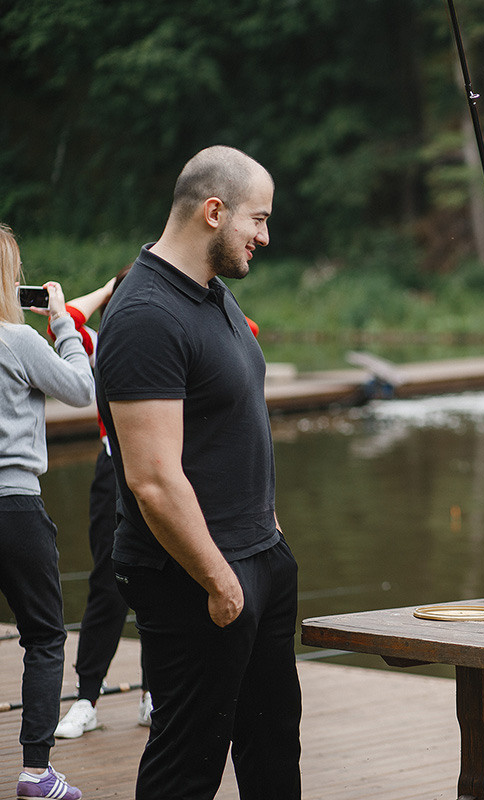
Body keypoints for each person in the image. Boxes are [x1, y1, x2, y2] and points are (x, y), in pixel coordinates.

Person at [94, 145, 300, 799]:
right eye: (257, 220)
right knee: (188, 763)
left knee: (273, 752)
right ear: (215, 211)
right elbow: (151, 480)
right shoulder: (146, 316)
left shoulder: (215, 298)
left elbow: (233, 416)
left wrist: (268, 533)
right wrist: (222, 582)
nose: (264, 237)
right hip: (195, 576)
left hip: (257, 557)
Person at [0, 223, 94, 800]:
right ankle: (37, 772)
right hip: (15, 505)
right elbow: (82, 389)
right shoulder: (18, 341)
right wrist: (61, 323)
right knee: (43, 635)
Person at [49, 271, 155, 740]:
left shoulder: (172, 334)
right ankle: (86, 699)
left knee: (165, 583)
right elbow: (67, 318)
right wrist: (108, 290)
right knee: (107, 584)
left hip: (168, 478)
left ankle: (154, 697)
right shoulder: (101, 340)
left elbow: (247, 330)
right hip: (112, 476)